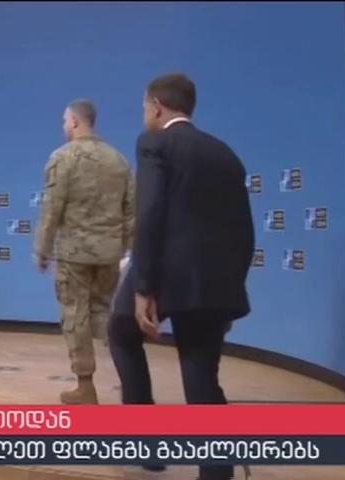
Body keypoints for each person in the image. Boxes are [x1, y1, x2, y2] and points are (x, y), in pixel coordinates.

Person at [109, 73, 255, 480]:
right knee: (200, 372)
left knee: (121, 333)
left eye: (144, 106)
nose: (144, 114)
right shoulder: (226, 155)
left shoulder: (154, 142)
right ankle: (217, 470)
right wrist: (230, 291)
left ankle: (147, 446)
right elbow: (244, 232)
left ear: (156, 107)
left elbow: (150, 213)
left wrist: (143, 287)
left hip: (163, 272)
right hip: (215, 281)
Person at [34, 99, 135, 405]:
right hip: (110, 254)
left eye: (65, 120)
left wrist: (42, 249)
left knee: (75, 314)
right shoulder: (118, 160)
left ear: (76, 122)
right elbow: (131, 212)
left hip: (74, 255)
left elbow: (52, 210)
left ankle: (85, 386)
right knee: (104, 313)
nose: (64, 125)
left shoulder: (63, 158)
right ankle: (132, 377)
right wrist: (126, 249)